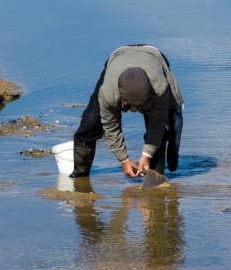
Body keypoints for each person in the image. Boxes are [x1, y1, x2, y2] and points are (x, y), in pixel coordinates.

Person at [70, 44, 183, 179]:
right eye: (131, 106)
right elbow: (111, 127)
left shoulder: (159, 89)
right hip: (118, 58)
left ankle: (154, 179)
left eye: (140, 105)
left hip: (154, 58)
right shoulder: (108, 92)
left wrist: (147, 154)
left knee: (163, 129)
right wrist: (123, 159)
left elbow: (157, 124)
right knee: (90, 123)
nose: (134, 110)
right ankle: (80, 177)